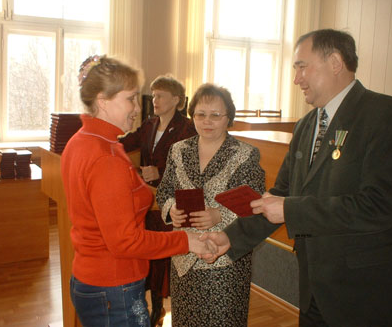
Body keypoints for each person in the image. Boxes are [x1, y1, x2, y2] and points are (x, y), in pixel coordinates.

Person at [201, 29, 392, 326]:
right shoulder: (305, 126)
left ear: (335, 62)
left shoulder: (387, 115)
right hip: (313, 289)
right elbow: (281, 194)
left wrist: (289, 209)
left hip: (365, 294)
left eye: (302, 66)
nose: (296, 78)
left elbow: (378, 206)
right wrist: (230, 236)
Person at [60, 55, 211, 327]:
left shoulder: (80, 141)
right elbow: (125, 242)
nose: (136, 108)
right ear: (103, 100)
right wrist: (185, 240)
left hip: (91, 278)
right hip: (113, 287)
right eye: (130, 99)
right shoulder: (105, 156)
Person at [156, 83, 265, 326]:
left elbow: (255, 206)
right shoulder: (178, 150)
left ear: (229, 117)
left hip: (224, 260)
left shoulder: (245, 154)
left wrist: (219, 215)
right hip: (184, 255)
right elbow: (163, 192)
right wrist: (171, 209)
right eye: (200, 114)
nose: (207, 121)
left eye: (216, 115)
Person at [119, 74, 196, 326]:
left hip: (171, 201)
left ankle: (159, 307)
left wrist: (161, 173)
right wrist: (103, 139)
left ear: (176, 99)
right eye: (153, 95)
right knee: (147, 252)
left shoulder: (187, 128)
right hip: (146, 202)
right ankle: (148, 302)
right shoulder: (149, 124)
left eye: (160, 95)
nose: (155, 100)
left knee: (163, 255)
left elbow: (191, 166)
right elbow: (127, 142)